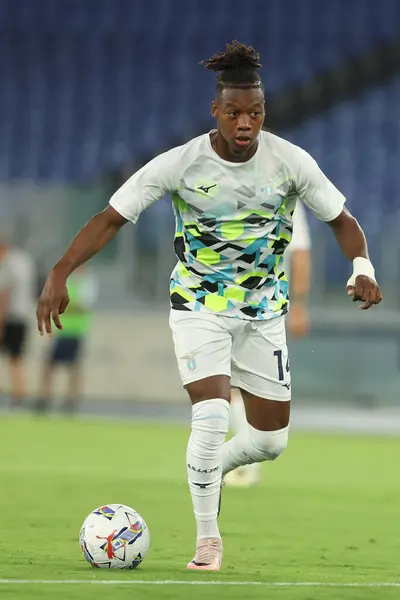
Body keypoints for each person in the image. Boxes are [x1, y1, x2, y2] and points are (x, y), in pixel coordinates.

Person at [36, 41, 382, 571]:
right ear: (216, 111)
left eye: (256, 113)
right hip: (197, 304)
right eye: (235, 113)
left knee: (270, 443)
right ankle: (208, 541)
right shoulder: (180, 164)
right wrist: (62, 269)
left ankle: (208, 467)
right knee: (213, 414)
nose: (246, 123)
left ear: (264, 113)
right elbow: (110, 217)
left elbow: (343, 220)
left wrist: (363, 268)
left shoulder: (290, 162)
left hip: (265, 312)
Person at [226, 200, 311, 487]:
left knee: (236, 388)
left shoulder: (284, 199)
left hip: (260, 308)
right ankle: (243, 460)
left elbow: (300, 255)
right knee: (231, 387)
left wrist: (299, 305)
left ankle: (245, 463)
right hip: (234, 304)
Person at [36, 267, 98, 414]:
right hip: (61, 331)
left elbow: (82, 306)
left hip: (76, 330)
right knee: (50, 363)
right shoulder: (65, 281)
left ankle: (71, 398)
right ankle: (45, 396)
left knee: (73, 365)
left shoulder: (87, 283)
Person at [0, 235, 35, 408]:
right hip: (24, 316)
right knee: (17, 358)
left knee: (13, 359)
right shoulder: (24, 260)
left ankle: (18, 395)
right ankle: (20, 393)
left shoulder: (7, 265)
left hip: (11, 318)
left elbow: (4, 296)